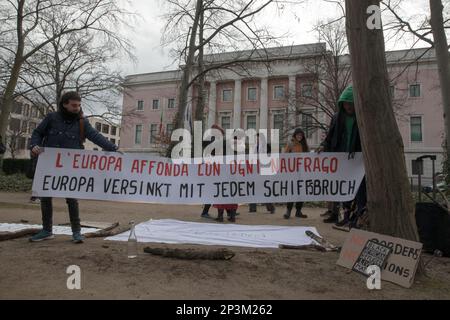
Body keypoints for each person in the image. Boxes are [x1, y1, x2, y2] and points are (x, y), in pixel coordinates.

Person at [28, 91, 119, 243]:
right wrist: (34, 145)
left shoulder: (82, 122)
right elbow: (37, 133)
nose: (77, 108)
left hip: (71, 167)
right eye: (74, 105)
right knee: (45, 197)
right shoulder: (51, 118)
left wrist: (113, 148)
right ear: (65, 104)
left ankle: (76, 232)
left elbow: (95, 136)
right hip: (49, 164)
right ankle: (46, 230)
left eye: (79, 105)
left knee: (71, 198)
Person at [316, 85, 367, 226]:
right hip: (341, 158)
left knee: (359, 189)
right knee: (343, 188)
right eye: (346, 103)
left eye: (351, 103)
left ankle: (358, 217)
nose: (348, 106)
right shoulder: (337, 117)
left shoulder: (361, 117)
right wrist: (323, 146)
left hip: (357, 159)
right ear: (342, 104)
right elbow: (331, 135)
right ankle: (345, 216)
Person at [284, 128, 309, 219]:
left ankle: (298, 211)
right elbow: (285, 155)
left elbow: (309, 157)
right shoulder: (291, 144)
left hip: (302, 172)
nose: (299, 136)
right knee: (292, 191)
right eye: (298, 135)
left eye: (301, 135)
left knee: (301, 192)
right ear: (295, 135)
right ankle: (288, 211)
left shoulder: (305, 145)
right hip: (293, 172)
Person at [249, 133, 275, 214]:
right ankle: (252, 208)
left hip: (263, 170)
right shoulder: (253, 147)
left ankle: (270, 207)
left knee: (264, 189)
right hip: (254, 170)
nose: (257, 140)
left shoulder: (266, 146)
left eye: (259, 138)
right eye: (256, 138)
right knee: (253, 188)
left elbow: (269, 157)